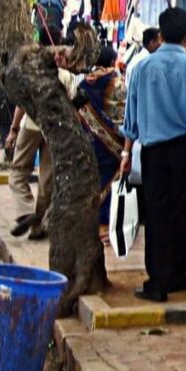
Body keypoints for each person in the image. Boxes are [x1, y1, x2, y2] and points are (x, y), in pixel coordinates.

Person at [121, 8, 186, 302]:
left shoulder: (142, 68)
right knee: (183, 213)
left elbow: (131, 117)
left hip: (153, 152)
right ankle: (177, 274)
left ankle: (157, 281)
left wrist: (126, 152)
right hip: (185, 150)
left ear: (161, 34)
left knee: (156, 215)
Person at [6, 47, 80, 241]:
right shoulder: (67, 77)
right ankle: (37, 225)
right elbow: (73, 106)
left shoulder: (34, 75)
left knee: (18, 171)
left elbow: (21, 105)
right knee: (47, 178)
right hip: (55, 130)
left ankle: (26, 210)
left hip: (31, 126)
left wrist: (13, 130)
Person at [76, 45, 125, 239]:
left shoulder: (83, 83)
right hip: (111, 145)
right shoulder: (117, 83)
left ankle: (88, 222)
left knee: (90, 180)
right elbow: (121, 118)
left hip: (86, 141)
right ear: (113, 61)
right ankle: (104, 224)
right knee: (109, 182)